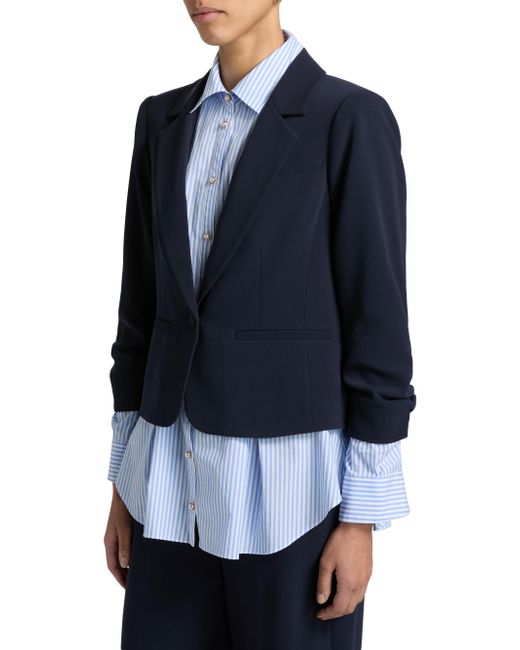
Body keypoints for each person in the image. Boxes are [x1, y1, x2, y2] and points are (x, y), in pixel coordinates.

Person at [104, 1, 416, 648]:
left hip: (292, 504)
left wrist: (361, 518)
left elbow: (378, 327)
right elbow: (140, 316)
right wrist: (124, 483)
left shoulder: (347, 118)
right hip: (167, 492)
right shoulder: (161, 121)